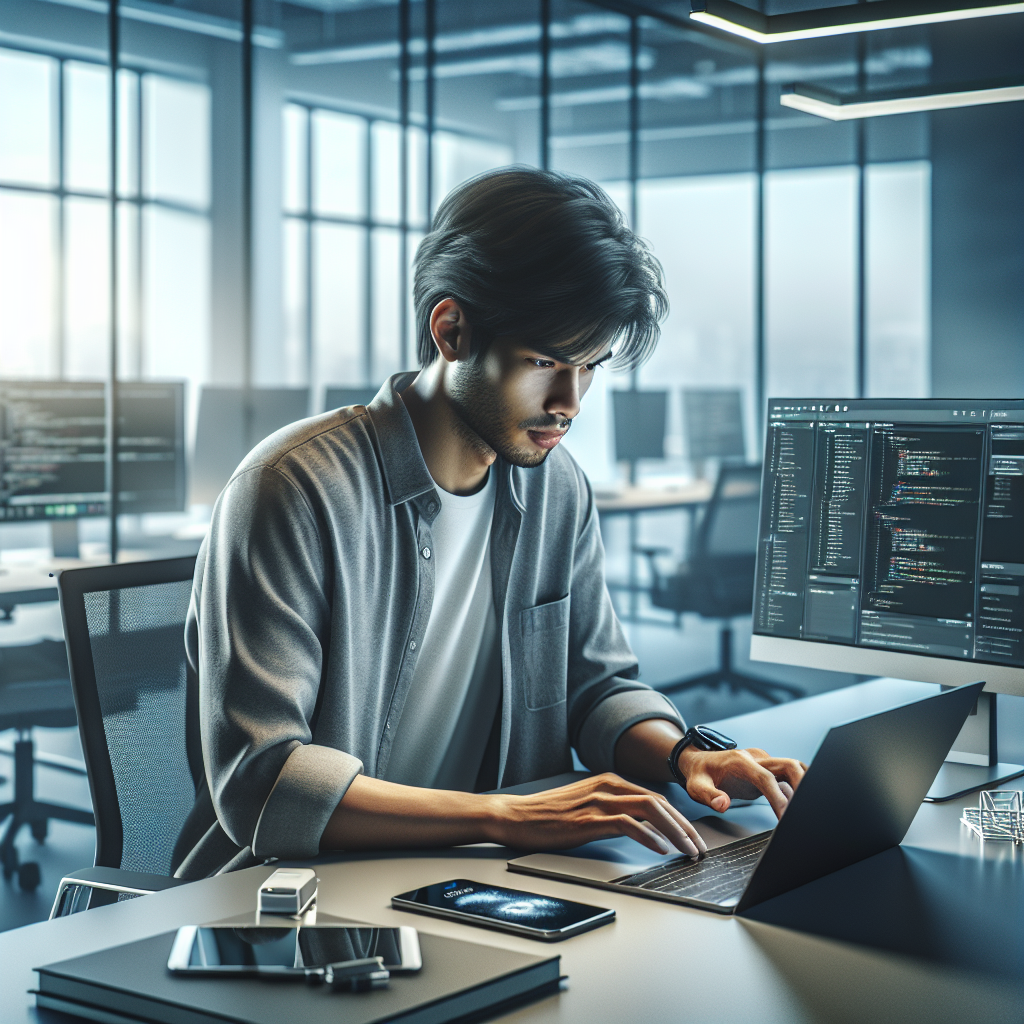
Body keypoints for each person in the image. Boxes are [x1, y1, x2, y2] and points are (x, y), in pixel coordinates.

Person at [172, 167, 805, 879]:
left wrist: (687, 755)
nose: (569, 401)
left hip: (480, 878)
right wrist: (507, 818)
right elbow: (266, 783)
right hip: (289, 899)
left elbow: (596, 688)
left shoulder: (558, 488)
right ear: (451, 330)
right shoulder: (293, 488)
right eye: (544, 361)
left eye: (589, 367)